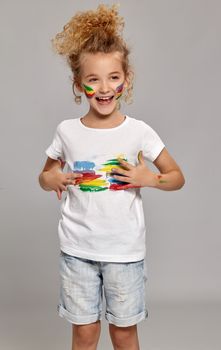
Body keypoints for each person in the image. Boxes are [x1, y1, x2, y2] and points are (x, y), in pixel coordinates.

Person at [38, 3, 185, 350]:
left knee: (123, 333)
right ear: (79, 84)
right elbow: (44, 177)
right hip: (77, 251)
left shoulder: (139, 132)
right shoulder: (67, 132)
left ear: (126, 80)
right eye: (93, 79)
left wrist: (147, 178)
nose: (104, 88)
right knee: (85, 334)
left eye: (113, 77)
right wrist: (54, 179)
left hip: (124, 253)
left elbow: (177, 177)